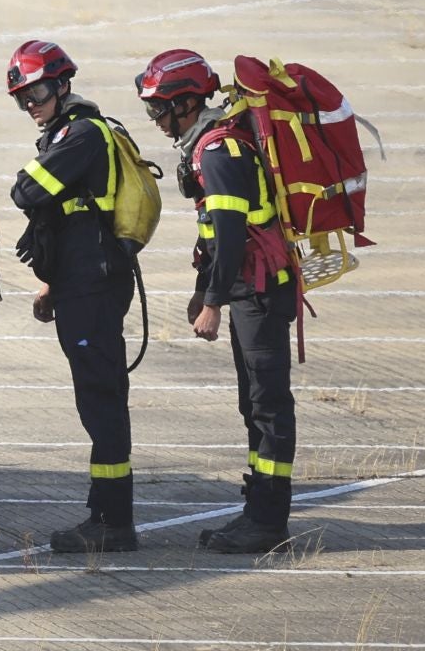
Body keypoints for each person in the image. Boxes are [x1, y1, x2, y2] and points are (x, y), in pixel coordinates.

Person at [136, 49, 297, 554]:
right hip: (250, 288)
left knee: (268, 406)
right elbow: (216, 235)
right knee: (254, 405)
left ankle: (268, 521)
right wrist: (201, 291)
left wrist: (211, 303)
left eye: (158, 108)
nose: (156, 120)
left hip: (259, 291)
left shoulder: (219, 151)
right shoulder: (209, 143)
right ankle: (257, 512)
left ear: (185, 103)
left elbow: (230, 236)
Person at [5, 39, 139, 553]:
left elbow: (26, 192)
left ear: (62, 84)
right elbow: (64, 220)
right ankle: (105, 513)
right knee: (96, 398)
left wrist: (64, 282)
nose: (31, 104)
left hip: (95, 287)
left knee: (102, 400)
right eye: (22, 98)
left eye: (36, 91)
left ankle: (113, 521)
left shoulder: (82, 135)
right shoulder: (67, 133)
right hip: (81, 284)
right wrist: (51, 284)